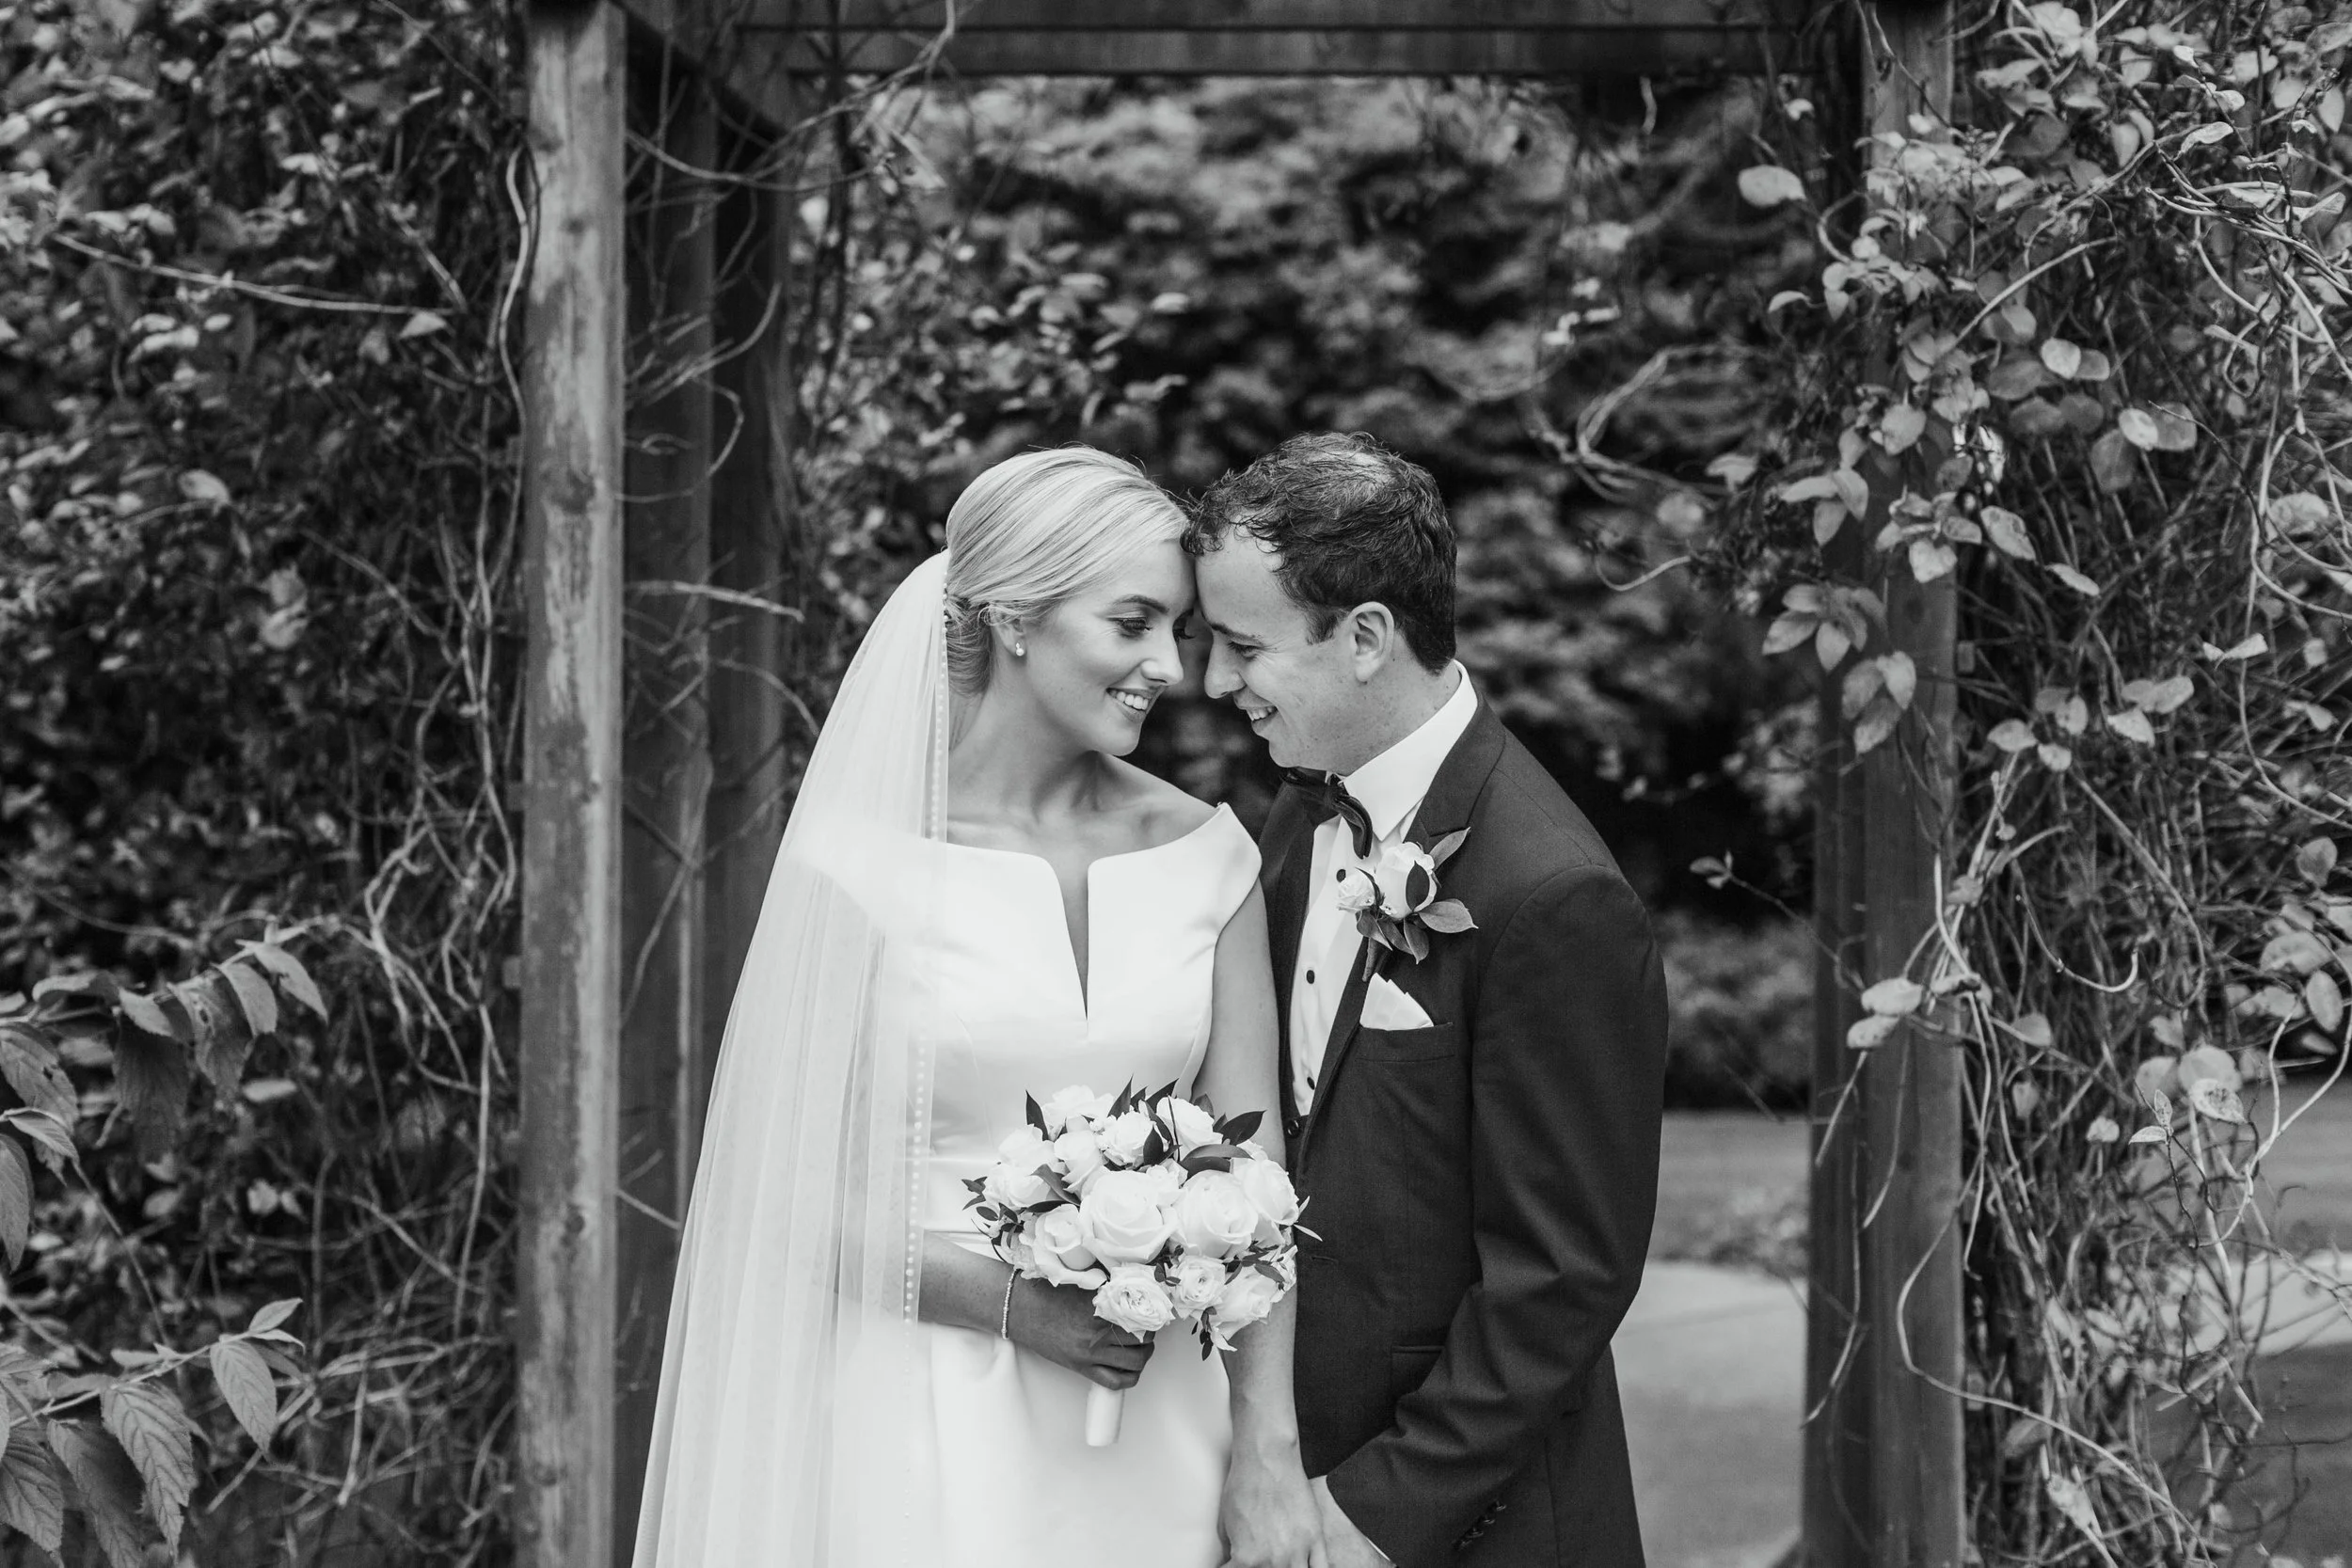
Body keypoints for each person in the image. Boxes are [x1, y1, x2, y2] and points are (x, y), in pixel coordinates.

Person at [632, 448, 1320, 1568]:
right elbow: (781, 1200)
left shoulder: (1210, 857)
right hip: (918, 1414)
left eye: (1180, 631)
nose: (1169, 667)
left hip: (1158, 1424)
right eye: (1133, 621)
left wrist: (1266, 1448)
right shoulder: (859, 867)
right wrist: (1013, 1304)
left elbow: (1263, 1178)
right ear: (1012, 618)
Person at [1189, 433, 1669, 1568]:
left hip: (1467, 1527)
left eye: (1243, 646)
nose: (1213, 682)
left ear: (1365, 637)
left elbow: (1561, 1277)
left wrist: (1374, 1513)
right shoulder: (1302, 814)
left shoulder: (1553, 894)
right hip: (1283, 1480)